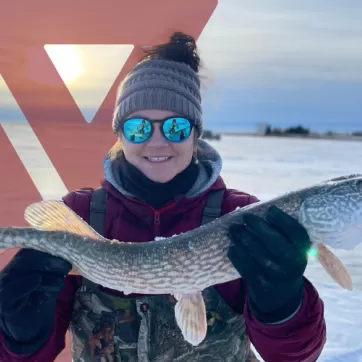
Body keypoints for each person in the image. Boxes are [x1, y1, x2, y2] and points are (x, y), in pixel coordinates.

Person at [0, 32, 326, 362]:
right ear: (119, 135)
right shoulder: (81, 215)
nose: (157, 142)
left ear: (196, 134)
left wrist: (285, 306)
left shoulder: (241, 216)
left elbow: (294, 356)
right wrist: (19, 332)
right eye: (139, 128)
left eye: (176, 128)